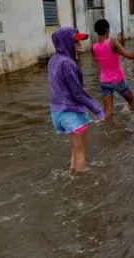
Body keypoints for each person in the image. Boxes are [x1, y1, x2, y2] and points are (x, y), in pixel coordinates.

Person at [47, 26, 104, 172]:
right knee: (81, 152)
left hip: (57, 113)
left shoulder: (53, 60)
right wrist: (97, 110)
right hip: (71, 112)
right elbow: (77, 93)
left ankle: (72, 172)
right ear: (66, 43)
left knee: (75, 149)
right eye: (75, 42)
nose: (80, 45)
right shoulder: (68, 63)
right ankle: (82, 185)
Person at [92, 19, 134, 118]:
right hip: (118, 80)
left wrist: (118, 42)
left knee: (108, 112)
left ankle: (103, 126)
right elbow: (130, 55)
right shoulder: (113, 43)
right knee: (132, 103)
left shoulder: (94, 47)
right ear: (107, 30)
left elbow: (105, 54)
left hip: (104, 82)